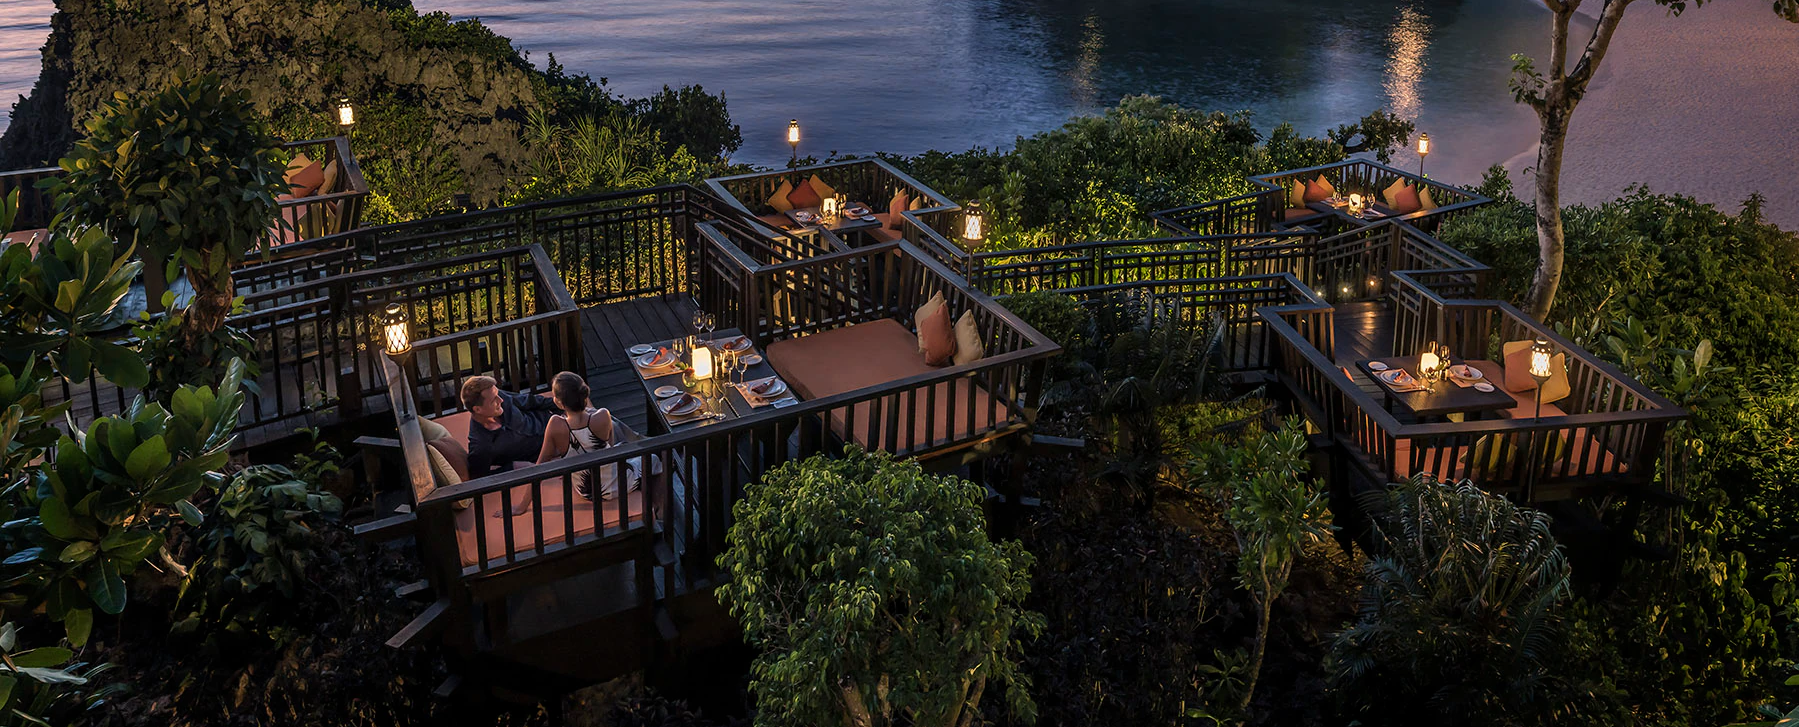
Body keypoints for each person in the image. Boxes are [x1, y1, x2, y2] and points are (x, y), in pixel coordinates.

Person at [534, 371, 635, 501]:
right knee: (655, 458)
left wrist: (520, 507)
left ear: (558, 402)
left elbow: (539, 467)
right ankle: (659, 509)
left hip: (588, 492)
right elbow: (611, 451)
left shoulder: (556, 425)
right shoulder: (603, 415)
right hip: (619, 483)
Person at [460, 374, 560, 479]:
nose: (501, 400)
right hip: (552, 448)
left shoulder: (497, 397)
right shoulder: (481, 445)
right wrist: (513, 467)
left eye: (498, 394)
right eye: (494, 400)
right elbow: (478, 478)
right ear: (477, 409)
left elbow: (529, 401)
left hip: (554, 418)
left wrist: (561, 403)